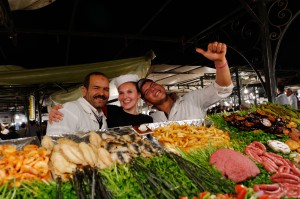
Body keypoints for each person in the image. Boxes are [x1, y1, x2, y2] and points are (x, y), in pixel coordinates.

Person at [137, 41, 233, 122]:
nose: (153, 89)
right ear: (148, 103)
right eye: (147, 91)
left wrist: (220, 62)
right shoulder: (154, 120)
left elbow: (222, 89)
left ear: (162, 86)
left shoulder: (193, 99)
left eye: (153, 85)